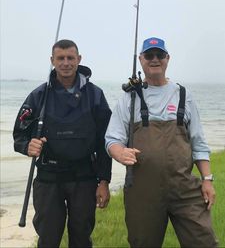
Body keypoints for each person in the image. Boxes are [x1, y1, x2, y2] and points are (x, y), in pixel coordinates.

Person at [105, 37, 218, 248]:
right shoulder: (129, 99)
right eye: (149, 55)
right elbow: (112, 138)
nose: (154, 59)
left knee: (204, 241)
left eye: (159, 55)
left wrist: (207, 179)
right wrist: (119, 152)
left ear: (167, 59)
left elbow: (199, 143)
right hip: (142, 191)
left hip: (184, 188)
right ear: (141, 59)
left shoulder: (184, 95)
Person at [13, 39, 112, 248]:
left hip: (84, 178)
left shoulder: (95, 95)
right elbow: (19, 134)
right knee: (48, 239)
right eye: (61, 58)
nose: (66, 63)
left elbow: (105, 141)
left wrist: (104, 181)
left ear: (79, 59)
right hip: (49, 178)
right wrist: (27, 146)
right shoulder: (39, 95)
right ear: (52, 60)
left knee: (81, 239)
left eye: (70, 58)